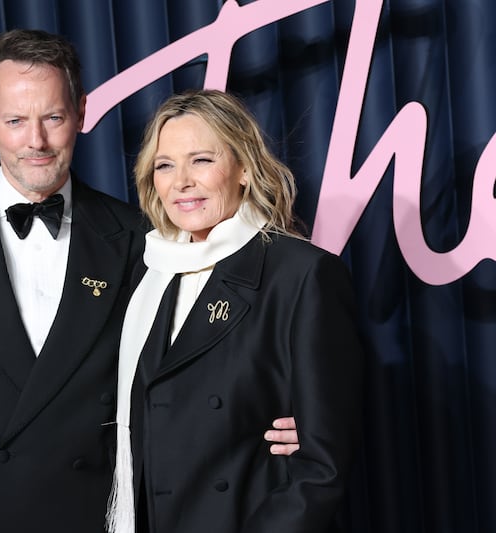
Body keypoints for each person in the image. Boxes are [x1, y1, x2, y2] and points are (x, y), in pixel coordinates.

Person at [0, 29, 299, 533]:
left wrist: (281, 419)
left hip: (97, 516)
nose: (36, 141)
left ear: (81, 113)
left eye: (52, 117)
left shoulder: (141, 237)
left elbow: (201, 372)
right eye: (15, 120)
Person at [107, 89, 364, 533]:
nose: (181, 181)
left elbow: (321, 468)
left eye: (201, 160)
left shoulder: (301, 274)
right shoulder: (148, 274)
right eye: (165, 165)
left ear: (244, 168)